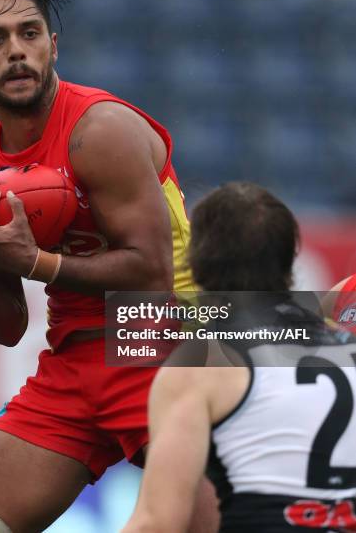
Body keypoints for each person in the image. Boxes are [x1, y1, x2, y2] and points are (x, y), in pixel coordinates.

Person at [0, 0, 207, 533]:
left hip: (167, 349)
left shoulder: (99, 130)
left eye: (30, 34)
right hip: (73, 364)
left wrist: (36, 261)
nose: (17, 51)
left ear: (53, 45)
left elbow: (151, 276)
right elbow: (9, 328)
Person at [123, 182, 356, 533]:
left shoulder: (200, 364)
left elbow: (157, 523)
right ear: (291, 262)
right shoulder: (343, 340)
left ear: (194, 262)